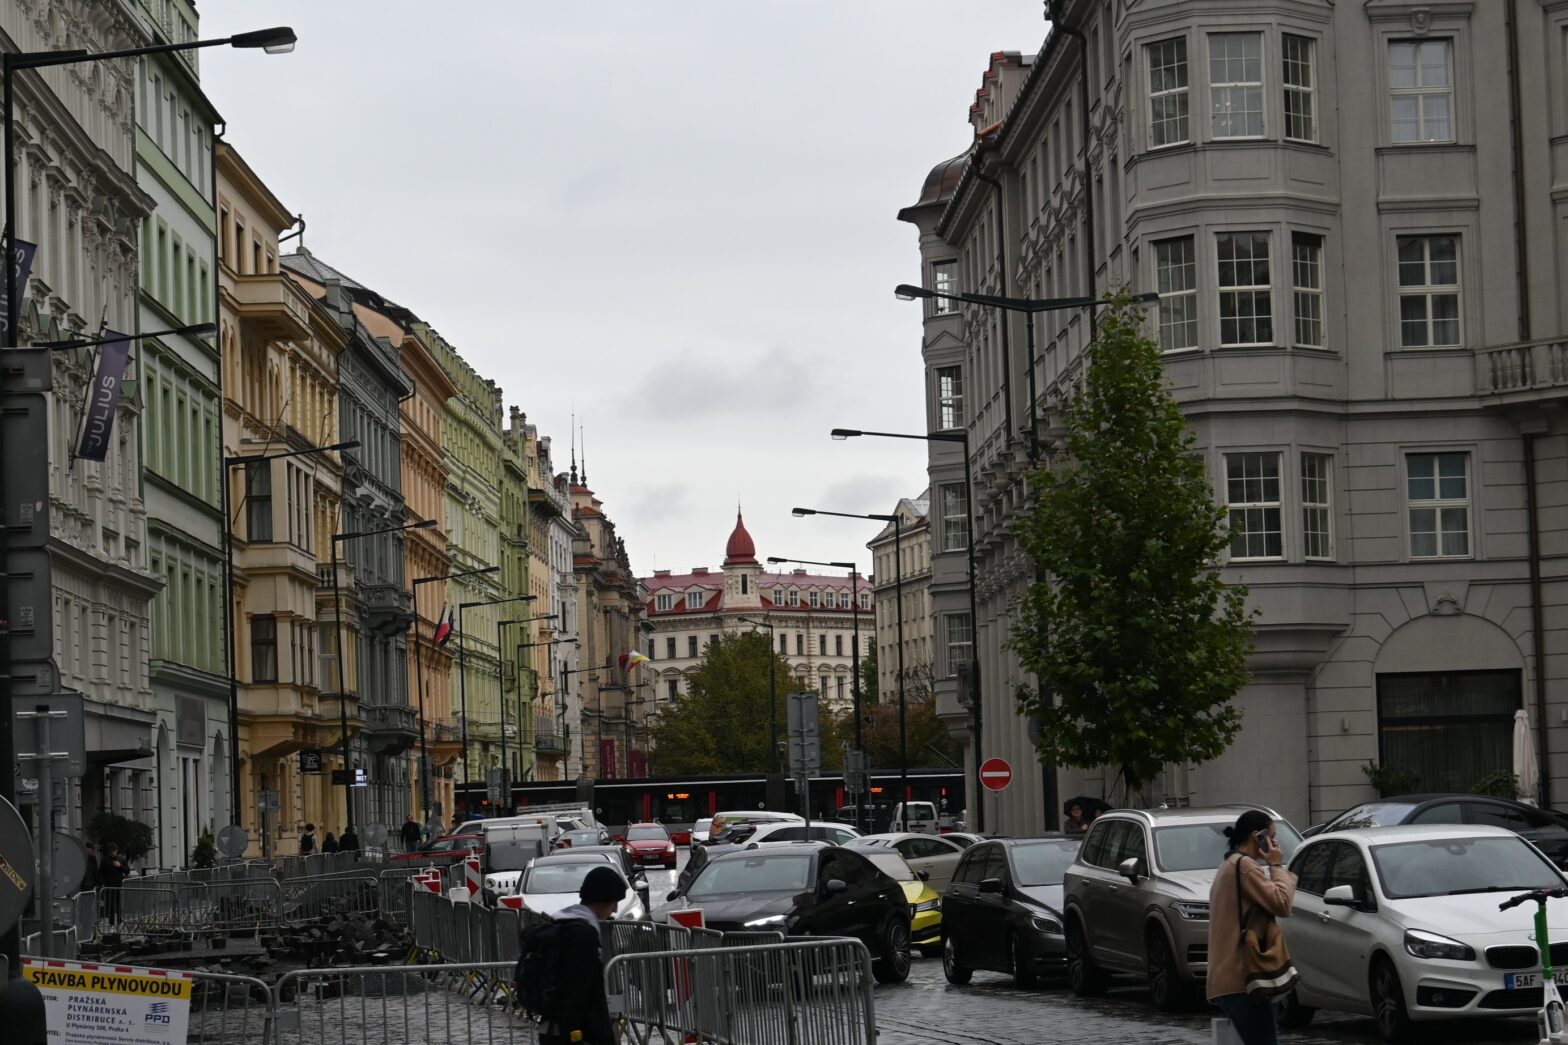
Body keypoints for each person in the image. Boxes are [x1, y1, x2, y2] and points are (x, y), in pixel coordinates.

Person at [1207, 809, 1297, 1045]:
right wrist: (1276, 866)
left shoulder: (1230, 865)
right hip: (1242, 980)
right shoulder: (1245, 866)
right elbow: (1282, 904)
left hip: (1228, 980)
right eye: (1272, 836)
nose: (1275, 843)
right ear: (1258, 837)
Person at [539, 866, 624, 1044]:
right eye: (614, 902)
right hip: (578, 1033)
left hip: (554, 1028)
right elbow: (577, 990)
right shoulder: (583, 934)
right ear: (601, 900)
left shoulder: (564, 923)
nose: (615, 910)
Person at [99, 843, 129, 924]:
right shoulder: (105, 860)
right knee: (111, 905)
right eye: (112, 851)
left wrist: (120, 866)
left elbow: (127, 870)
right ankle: (111, 922)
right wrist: (102, 883)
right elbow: (101, 873)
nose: (113, 853)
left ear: (116, 850)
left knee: (119, 903)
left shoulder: (120, 859)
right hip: (109, 885)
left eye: (114, 851)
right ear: (109, 851)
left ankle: (119, 920)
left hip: (118, 885)